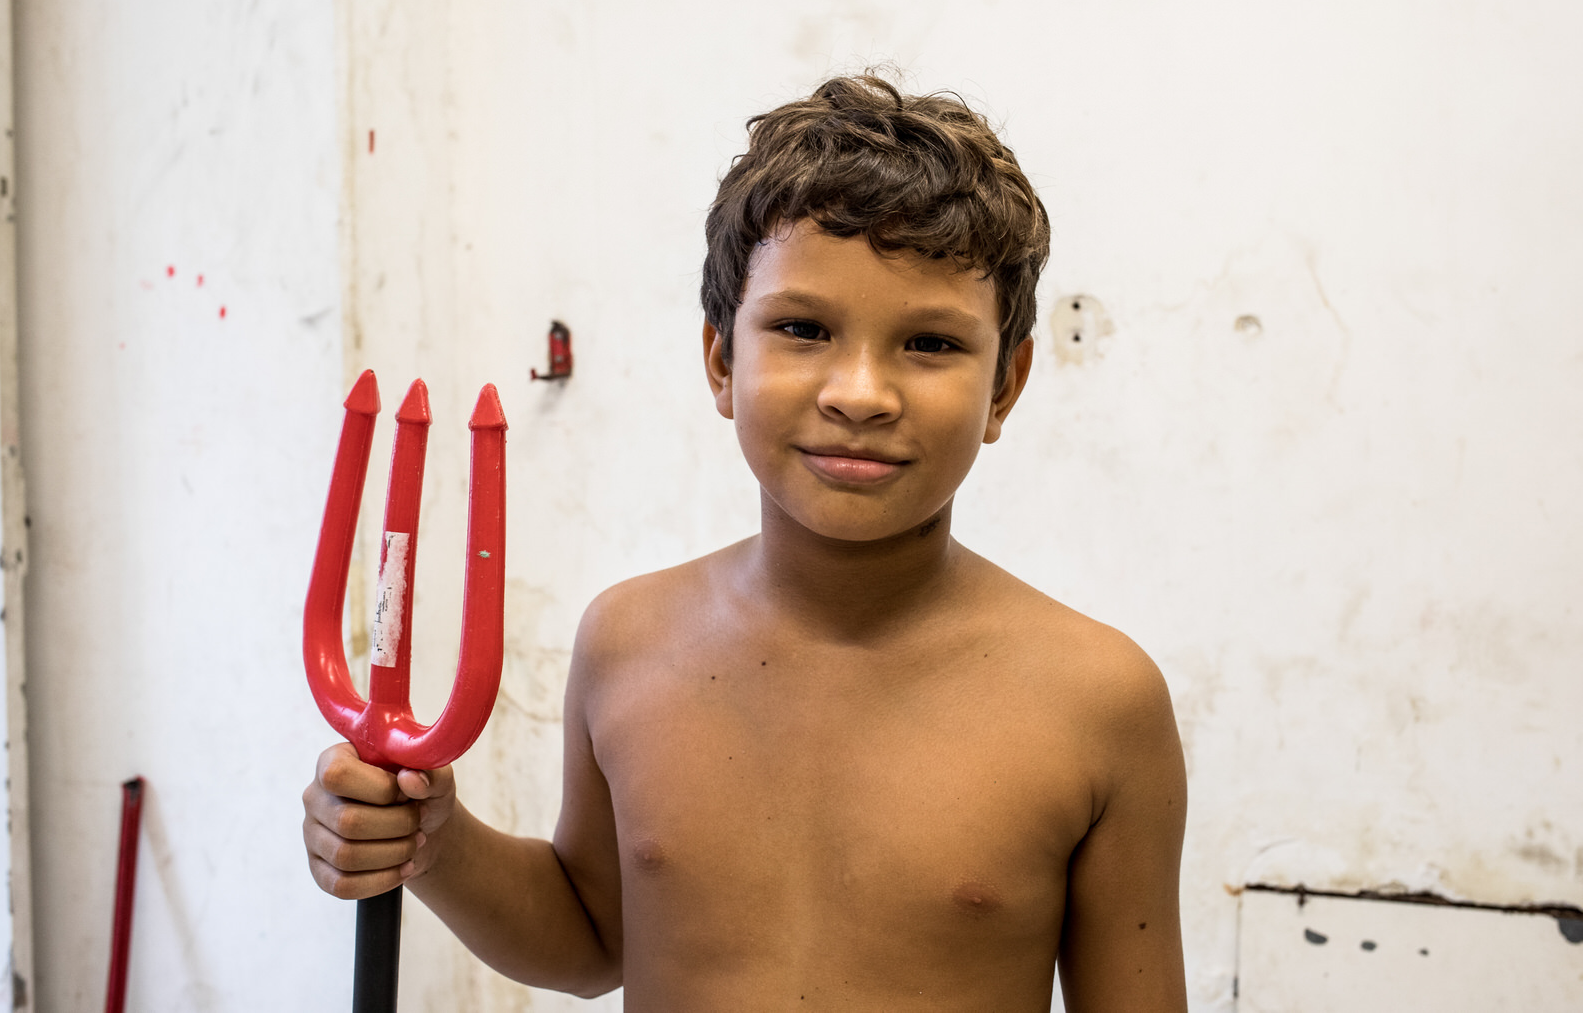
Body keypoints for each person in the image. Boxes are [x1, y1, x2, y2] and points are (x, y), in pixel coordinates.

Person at [303, 73, 1188, 1011]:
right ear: (723, 358)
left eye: (929, 344)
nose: (859, 392)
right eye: (802, 328)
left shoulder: (1100, 702)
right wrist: (430, 838)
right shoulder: (628, 640)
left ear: (1006, 385)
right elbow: (590, 940)